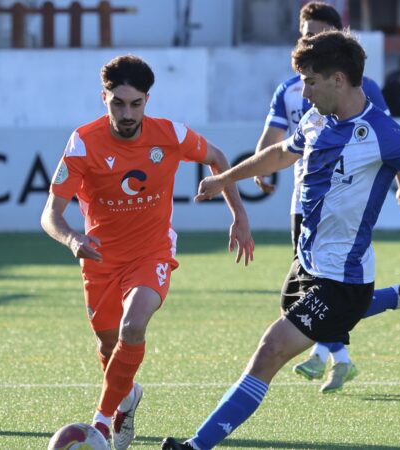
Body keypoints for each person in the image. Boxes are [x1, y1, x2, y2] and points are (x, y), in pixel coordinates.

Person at [161, 30, 400, 450]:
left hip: (342, 280)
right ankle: (398, 296)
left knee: (271, 350)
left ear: (338, 79)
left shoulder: (382, 133)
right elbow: (283, 154)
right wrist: (226, 178)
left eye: (310, 81)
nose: (303, 91)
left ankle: (197, 446)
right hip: (307, 263)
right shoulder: (317, 118)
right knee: (302, 321)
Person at [40, 55, 255, 450]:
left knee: (133, 327)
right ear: (103, 97)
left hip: (151, 253)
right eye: (117, 103)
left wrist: (239, 216)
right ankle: (128, 398)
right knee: (109, 347)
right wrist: (72, 239)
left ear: (147, 100)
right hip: (100, 260)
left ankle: (101, 423)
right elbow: (50, 215)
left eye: (135, 104)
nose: (126, 113)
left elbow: (217, 158)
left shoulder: (169, 134)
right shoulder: (83, 143)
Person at [252, 0, 400, 394]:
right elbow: (276, 141)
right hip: (303, 203)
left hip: (343, 200)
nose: (311, 41)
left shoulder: (360, 87)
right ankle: (352, 334)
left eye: (318, 35)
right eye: (306, 35)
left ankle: (333, 355)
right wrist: (258, 171)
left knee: (325, 292)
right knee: (301, 299)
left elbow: (389, 137)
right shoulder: (289, 89)